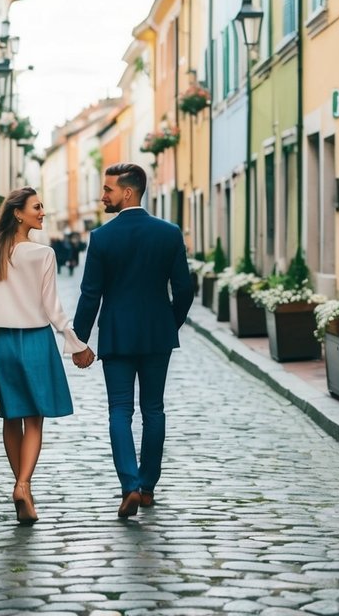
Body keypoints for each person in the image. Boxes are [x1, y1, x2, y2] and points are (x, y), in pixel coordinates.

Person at [71, 162, 192, 518]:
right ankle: (148, 486)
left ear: (127, 192)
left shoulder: (102, 238)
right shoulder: (169, 233)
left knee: (120, 411)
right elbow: (184, 289)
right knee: (154, 409)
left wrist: (79, 340)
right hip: (157, 335)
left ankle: (130, 485)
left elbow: (90, 295)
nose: (102, 196)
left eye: (107, 190)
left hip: (117, 336)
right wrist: (169, 323)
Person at [0, 186, 92, 524]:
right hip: (36, 341)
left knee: (11, 417)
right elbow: (53, 309)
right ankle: (23, 485)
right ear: (18, 213)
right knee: (34, 419)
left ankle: (21, 487)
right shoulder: (43, 254)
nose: (43, 212)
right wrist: (77, 344)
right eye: (36, 207)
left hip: (0, 344)